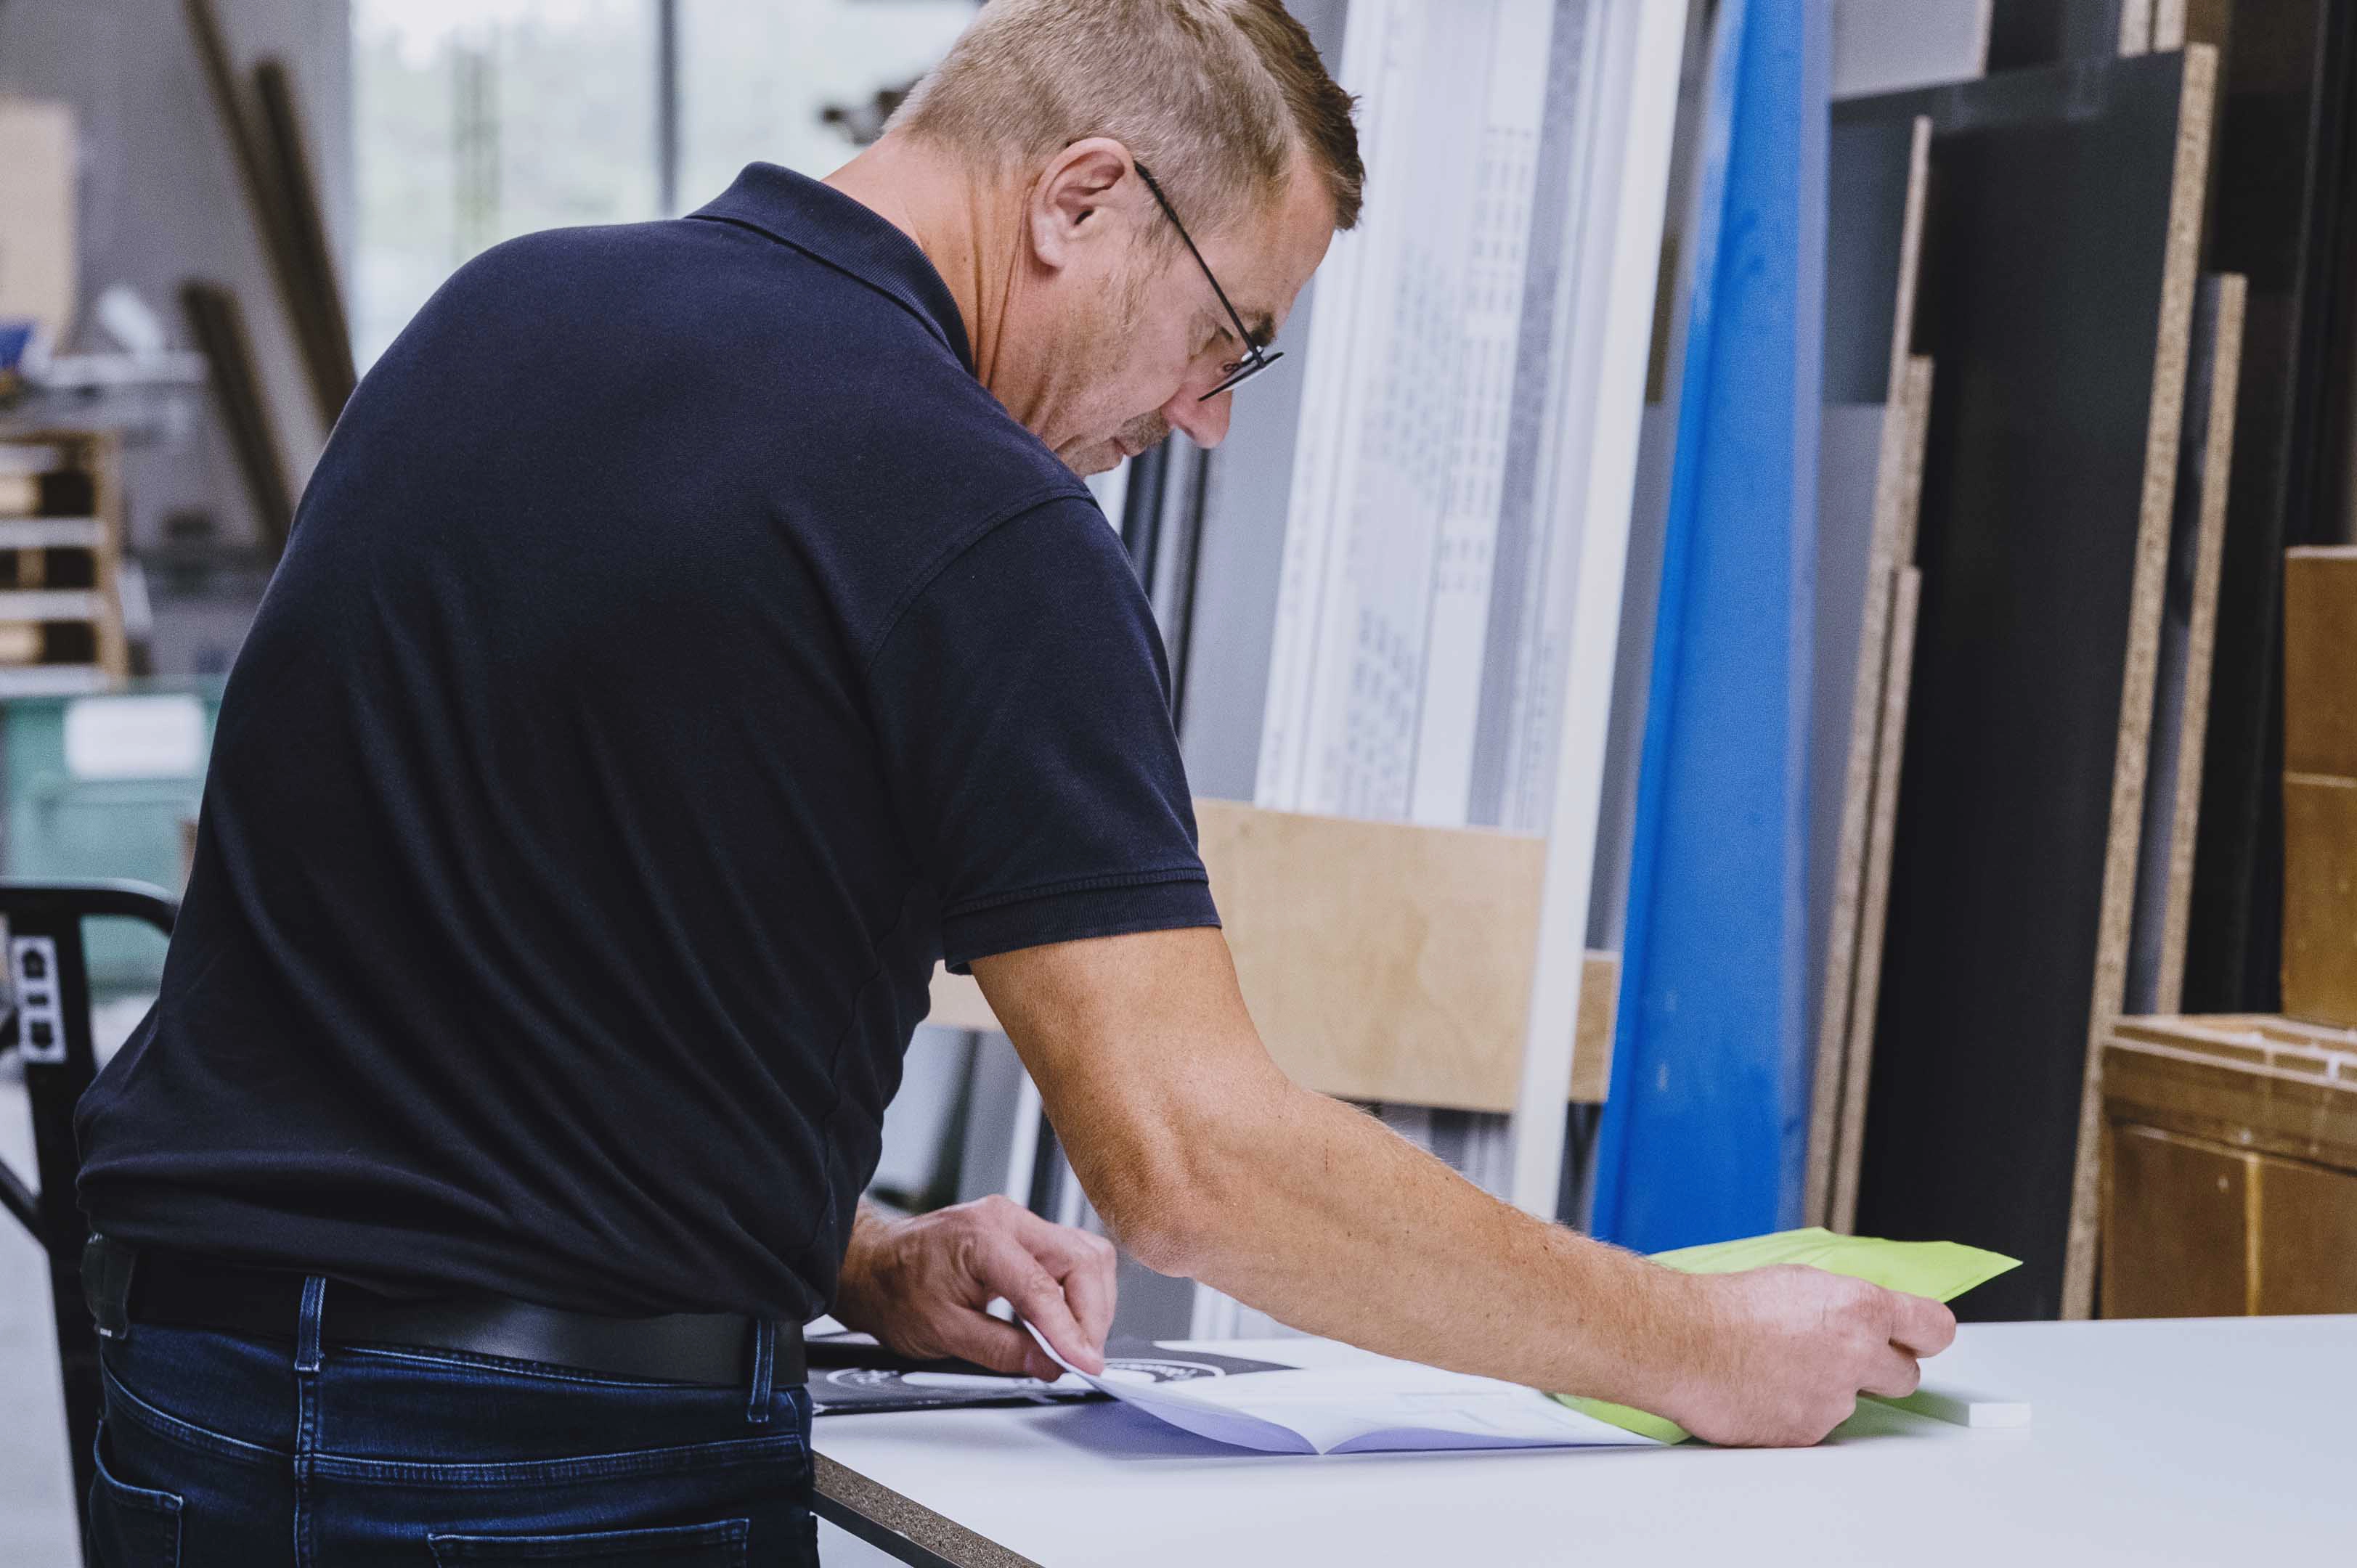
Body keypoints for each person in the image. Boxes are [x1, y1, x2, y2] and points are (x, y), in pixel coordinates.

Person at [70, 1, 1957, 1561]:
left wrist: (855, 1247)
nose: (1210, 412)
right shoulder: (969, 506)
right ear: (1082, 196)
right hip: (537, 1468)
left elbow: (487, 947)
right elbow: (1196, 1165)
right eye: (1230, 332)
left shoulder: (502, 321)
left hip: (188, 1402)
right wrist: (1696, 1344)